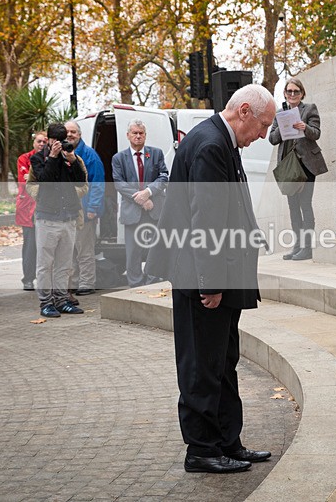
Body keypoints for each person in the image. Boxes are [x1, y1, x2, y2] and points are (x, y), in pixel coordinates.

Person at [146, 84, 275, 474]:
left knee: (222, 362)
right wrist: (211, 283)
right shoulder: (210, 145)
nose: (264, 136)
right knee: (202, 366)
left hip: (218, 277)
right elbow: (206, 220)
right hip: (203, 280)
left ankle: (226, 442)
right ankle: (202, 449)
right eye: (264, 126)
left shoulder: (219, 140)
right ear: (245, 112)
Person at [26, 123, 87, 318]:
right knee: (45, 264)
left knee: (65, 263)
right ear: (49, 140)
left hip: (68, 216)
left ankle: (62, 300)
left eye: (65, 140)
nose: (61, 144)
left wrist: (72, 160)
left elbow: (80, 180)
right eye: (57, 140)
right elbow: (44, 181)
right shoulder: (38, 158)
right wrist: (52, 157)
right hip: (47, 217)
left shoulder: (70, 157)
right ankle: (45, 302)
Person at [268, 78, 328, 261]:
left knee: (305, 205)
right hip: (288, 166)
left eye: (296, 91)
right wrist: (284, 126)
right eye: (289, 91)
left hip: (306, 164)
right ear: (285, 94)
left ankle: (307, 248)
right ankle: (297, 246)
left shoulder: (309, 109)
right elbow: (272, 138)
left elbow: (316, 133)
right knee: (293, 207)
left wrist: (305, 127)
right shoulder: (280, 113)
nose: (292, 94)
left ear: (302, 93)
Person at [112, 119, 168, 287]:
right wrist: (142, 199)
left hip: (155, 210)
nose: (138, 136)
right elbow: (118, 183)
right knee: (133, 252)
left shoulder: (156, 154)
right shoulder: (119, 158)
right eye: (134, 133)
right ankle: (135, 285)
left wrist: (148, 192)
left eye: (141, 133)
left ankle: (153, 281)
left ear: (145, 135)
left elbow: (164, 176)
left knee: (154, 249)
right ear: (128, 135)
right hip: (133, 211)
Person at [66, 120, 105, 296]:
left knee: (84, 250)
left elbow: (97, 183)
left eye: (73, 132)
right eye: (67, 132)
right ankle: (73, 283)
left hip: (85, 211)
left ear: (80, 134)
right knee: (70, 250)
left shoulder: (90, 155)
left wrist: (93, 208)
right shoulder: (63, 154)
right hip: (67, 212)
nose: (70, 135)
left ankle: (87, 283)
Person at [16, 132, 47, 291]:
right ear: (33, 142)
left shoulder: (50, 157)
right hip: (28, 209)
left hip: (46, 206)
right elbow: (26, 181)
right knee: (30, 246)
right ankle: (27, 279)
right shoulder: (24, 158)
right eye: (39, 141)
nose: (42, 144)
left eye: (44, 141)